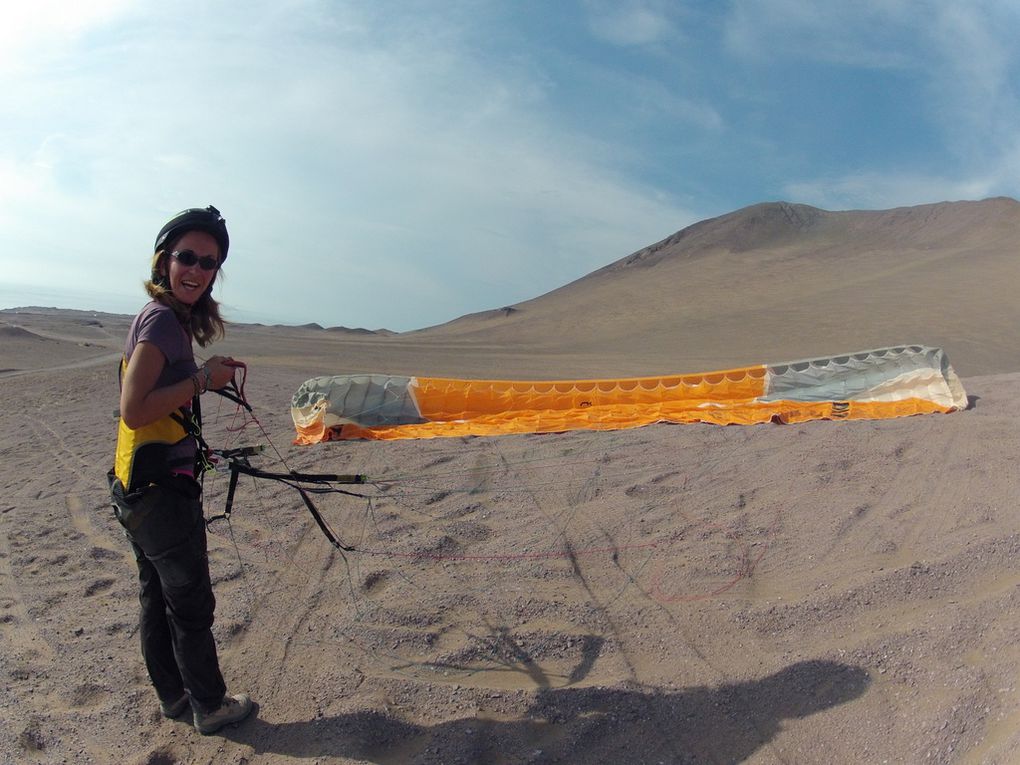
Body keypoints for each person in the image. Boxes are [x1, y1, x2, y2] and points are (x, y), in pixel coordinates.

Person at [108, 205, 254, 735]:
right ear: (164, 261)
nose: (196, 269)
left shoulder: (164, 321)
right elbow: (134, 407)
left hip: (138, 487)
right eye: (186, 257)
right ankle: (210, 706)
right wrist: (203, 382)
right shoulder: (162, 322)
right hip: (160, 497)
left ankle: (174, 696)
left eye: (209, 263)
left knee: (157, 594)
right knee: (189, 603)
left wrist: (203, 380)